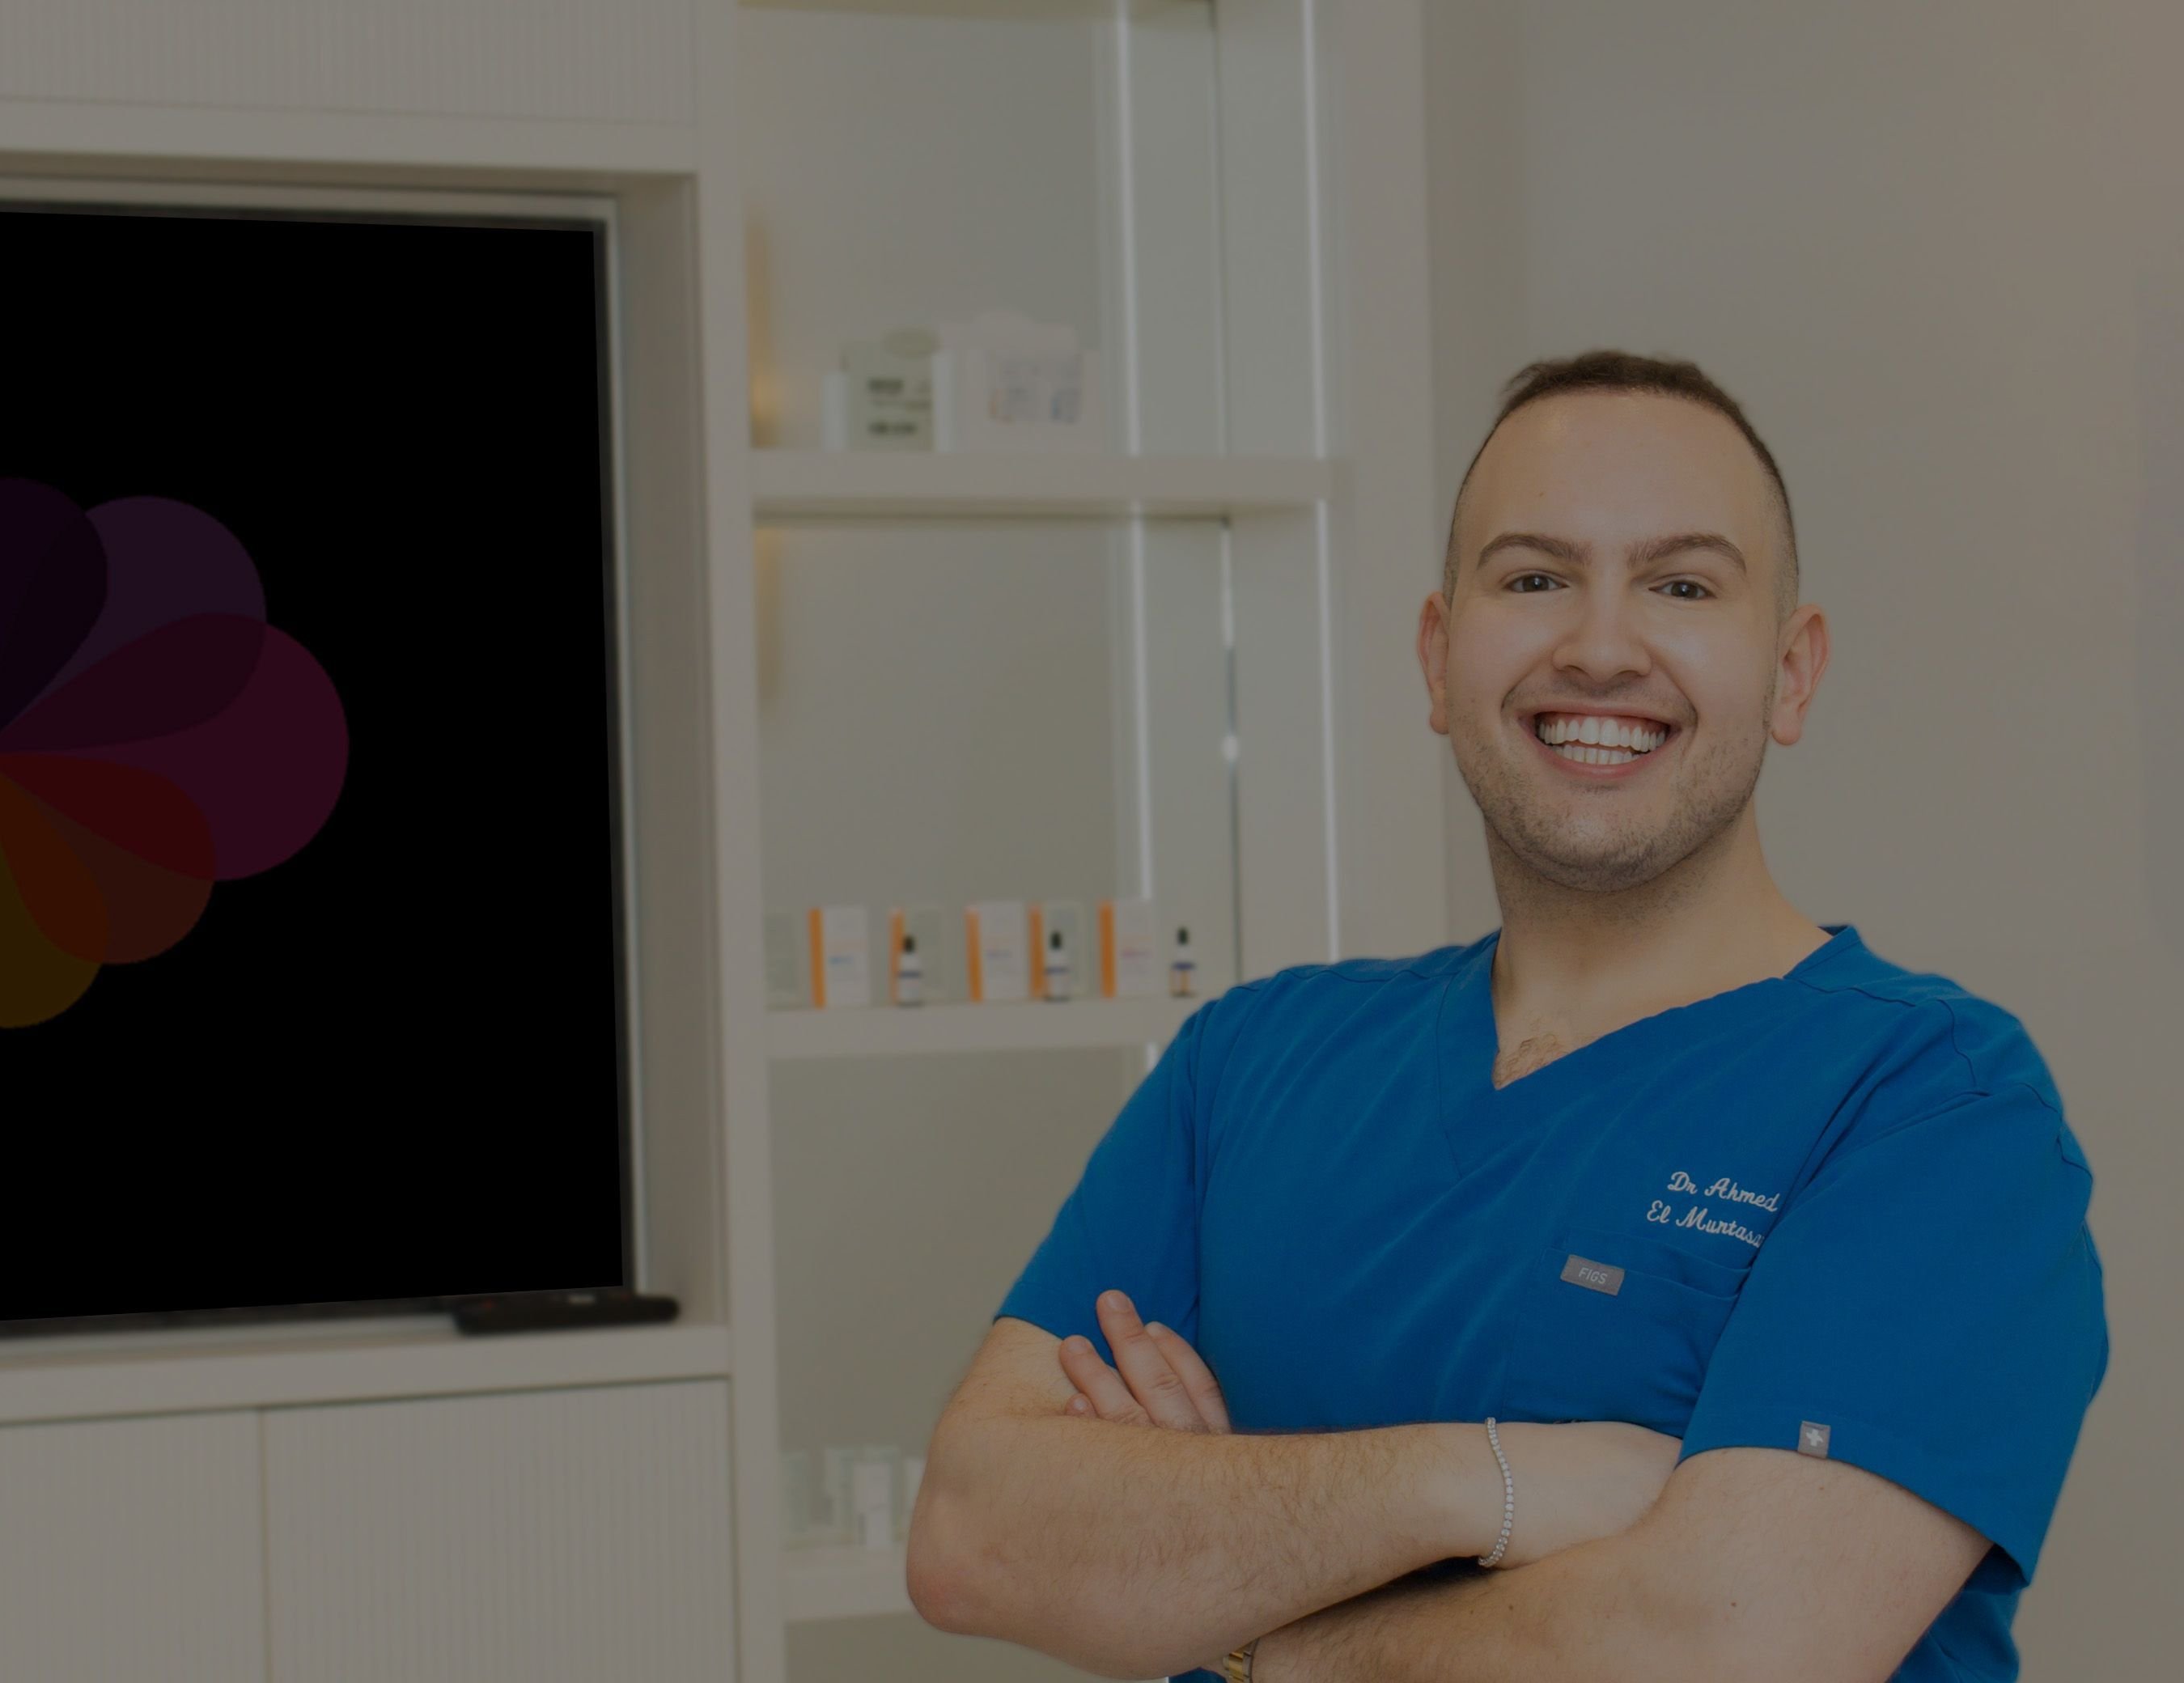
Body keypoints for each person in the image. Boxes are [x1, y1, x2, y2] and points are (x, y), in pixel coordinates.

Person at [904, 350, 2109, 1683]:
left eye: (1683, 586)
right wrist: (1485, 1482)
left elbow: (1720, 1647)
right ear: (1438, 658)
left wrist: (1239, 1614)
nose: (1600, 647)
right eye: (1535, 579)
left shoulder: (1932, 1106)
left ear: (1792, 672)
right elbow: (975, 1535)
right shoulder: (1250, 1063)